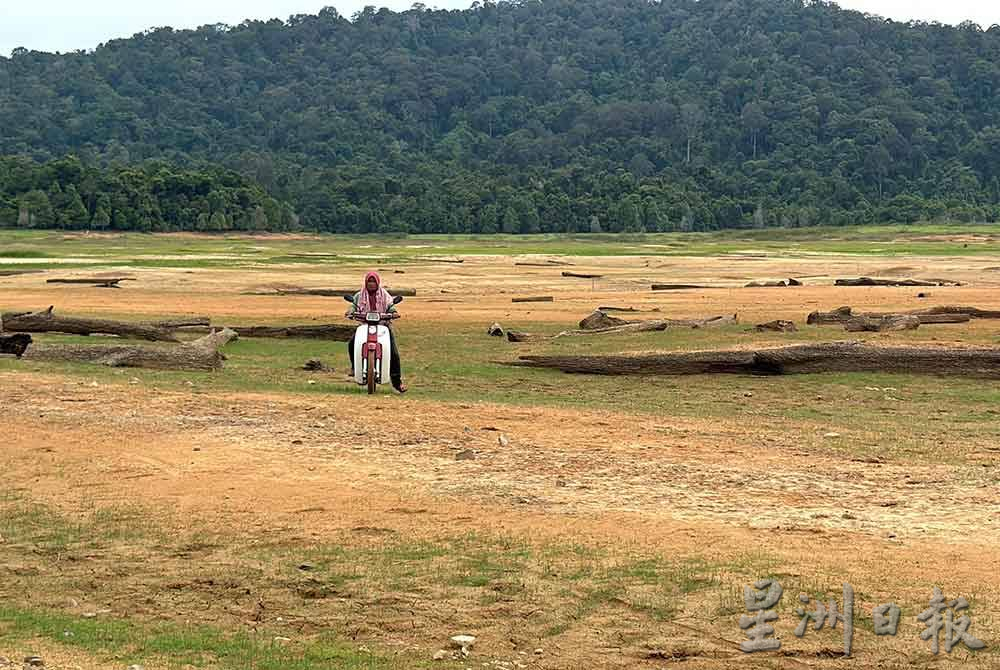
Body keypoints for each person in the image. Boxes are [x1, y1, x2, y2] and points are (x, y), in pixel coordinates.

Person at [346, 271, 407, 393]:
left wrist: (393, 313)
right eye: (369, 281)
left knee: (394, 354)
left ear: (378, 283)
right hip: (365, 325)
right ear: (365, 282)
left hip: (383, 326)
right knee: (352, 343)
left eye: (374, 281)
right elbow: (353, 305)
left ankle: (397, 383)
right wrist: (350, 312)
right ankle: (354, 367)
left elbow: (390, 306)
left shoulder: (384, 294)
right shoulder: (360, 295)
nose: (371, 284)